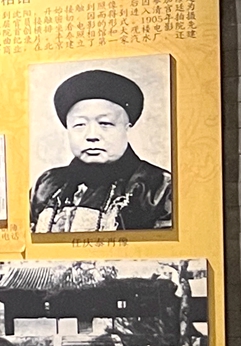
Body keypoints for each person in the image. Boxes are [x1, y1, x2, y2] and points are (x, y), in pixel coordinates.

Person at [31, 68, 173, 232]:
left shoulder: (160, 187)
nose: (92, 136)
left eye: (105, 123)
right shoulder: (47, 184)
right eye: (79, 125)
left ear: (126, 127)